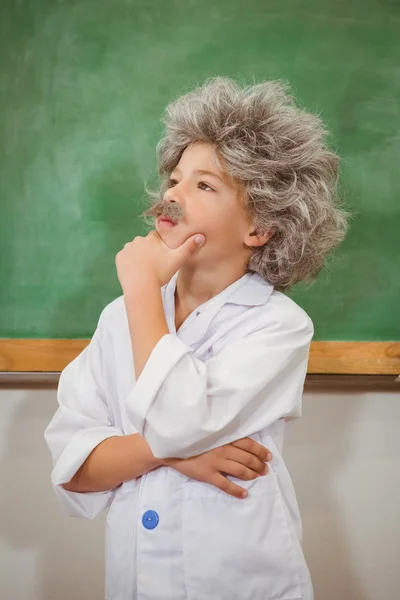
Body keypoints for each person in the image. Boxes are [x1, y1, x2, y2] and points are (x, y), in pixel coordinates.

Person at [44, 76, 349, 600]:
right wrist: (171, 456)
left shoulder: (276, 326)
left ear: (262, 227)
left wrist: (142, 287)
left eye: (204, 185)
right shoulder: (120, 320)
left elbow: (180, 421)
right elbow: (74, 470)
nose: (173, 194)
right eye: (176, 178)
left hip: (240, 581)